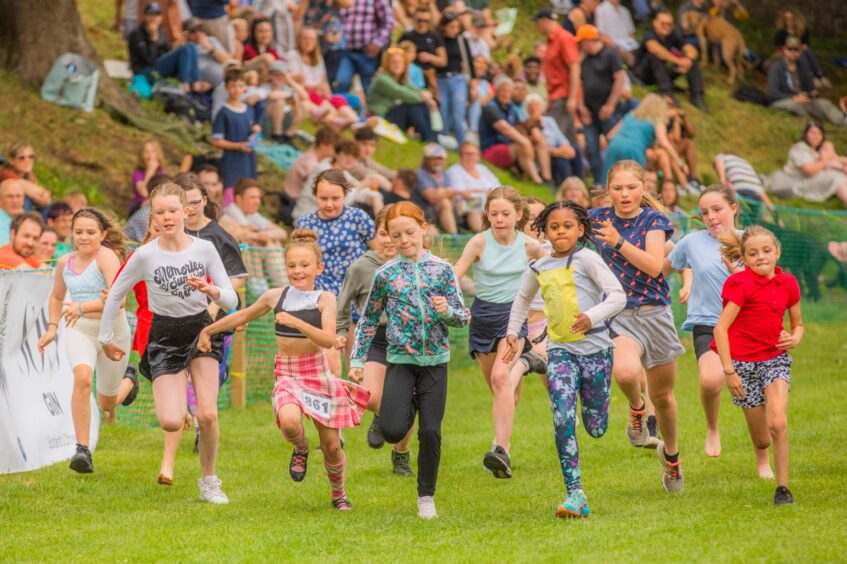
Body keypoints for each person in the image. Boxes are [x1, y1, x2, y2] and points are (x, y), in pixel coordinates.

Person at [198, 229, 367, 510]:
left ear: (318, 268)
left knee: (332, 447)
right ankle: (301, 448)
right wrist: (208, 329)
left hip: (318, 373)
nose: (297, 271)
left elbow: (328, 340)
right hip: (288, 374)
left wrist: (296, 323)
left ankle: (339, 493)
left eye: (304, 265)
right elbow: (242, 314)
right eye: (291, 266)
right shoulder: (274, 296)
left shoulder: (325, 299)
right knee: (289, 422)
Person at [98, 183, 238, 504]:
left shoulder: (204, 249)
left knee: (208, 414)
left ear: (185, 212)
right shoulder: (144, 255)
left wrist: (213, 291)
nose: (167, 217)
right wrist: (106, 338)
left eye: (172, 210)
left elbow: (230, 298)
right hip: (164, 335)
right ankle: (178, 403)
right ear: (153, 216)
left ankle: (209, 480)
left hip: (201, 331)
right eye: (159, 212)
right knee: (171, 420)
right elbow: (116, 294)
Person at [349, 201, 469, 519]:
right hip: (400, 360)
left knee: (430, 431)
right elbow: (368, 319)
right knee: (390, 430)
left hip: (435, 362)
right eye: (395, 235)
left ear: (423, 229)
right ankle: (407, 405)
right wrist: (358, 359)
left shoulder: (442, 270)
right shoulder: (385, 275)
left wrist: (448, 313)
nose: (403, 240)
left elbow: (462, 316)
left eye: (410, 233)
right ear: (387, 236)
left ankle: (425, 496)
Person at [506, 200, 625, 517]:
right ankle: (575, 494)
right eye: (554, 226)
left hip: (597, 351)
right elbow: (521, 301)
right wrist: (512, 333)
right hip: (560, 351)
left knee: (596, 428)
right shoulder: (538, 266)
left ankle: (599, 402)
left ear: (580, 229)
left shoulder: (587, 258)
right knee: (561, 417)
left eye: (567, 226)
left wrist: (590, 316)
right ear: (544, 231)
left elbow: (617, 295)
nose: (560, 231)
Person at [589, 160, 686, 492]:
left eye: (631, 187)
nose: (624, 194)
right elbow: (560, 229)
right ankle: (635, 408)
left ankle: (672, 458)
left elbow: (655, 266)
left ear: (643, 188)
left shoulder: (653, 220)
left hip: (655, 314)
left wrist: (618, 242)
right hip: (617, 314)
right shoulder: (596, 219)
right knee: (627, 373)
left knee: (664, 397)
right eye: (617, 188)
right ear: (608, 190)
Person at [663, 186, 768, 472]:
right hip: (708, 324)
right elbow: (659, 270)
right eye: (705, 212)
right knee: (711, 381)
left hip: (748, 328)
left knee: (751, 395)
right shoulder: (691, 242)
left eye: (717, 209)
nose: (710, 217)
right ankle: (712, 427)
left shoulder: (754, 242)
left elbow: (771, 284)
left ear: (734, 208)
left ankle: (762, 459)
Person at [156, 174, 249, 484]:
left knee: (208, 395)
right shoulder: (163, 238)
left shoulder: (218, 238)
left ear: (204, 202)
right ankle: (170, 457)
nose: (190, 209)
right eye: (184, 204)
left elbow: (235, 280)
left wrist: (209, 309)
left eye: (195, 203)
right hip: (171, 327)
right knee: (176, 388)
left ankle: (201, 428)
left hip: (213, 326)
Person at [453, 187, 545, 479]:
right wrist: (452, 303)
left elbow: (555, 273)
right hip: (482, 318)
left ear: (519, 215)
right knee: (503, 391)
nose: (499, 219)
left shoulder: (530, 246)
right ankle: (499, 442)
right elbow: (455, 274)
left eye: (506, 214)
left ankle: (501, 451)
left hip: (513, 319)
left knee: (500, 377)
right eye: (494, 214)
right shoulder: (479, 242)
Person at [37, 209, 138, 473]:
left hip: (113, 333)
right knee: (82, 378)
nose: (84, 237)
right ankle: (82, 450)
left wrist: (82, 307)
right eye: (78, 232)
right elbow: (56, 297)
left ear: (103, 235)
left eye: (91, 232)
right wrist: (51, 328)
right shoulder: (64, 262)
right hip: (79, 331)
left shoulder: (107, 258)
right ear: (71, 233)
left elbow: (118, 302)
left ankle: (130, 380)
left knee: (107, 403)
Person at [713, 226, 804, 505]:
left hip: (774, 359)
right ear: (745, 257)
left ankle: (783, 489)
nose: (761, 257)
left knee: (778, 422)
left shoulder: (787, 282)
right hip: (742, 365)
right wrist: (729, 372)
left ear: (777, 252)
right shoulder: (741, 285)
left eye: (766, 251)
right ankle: (761, 455)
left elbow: (798, 324)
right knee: (763, 439)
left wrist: (794, 338)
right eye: (752, 253)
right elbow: (720, 330)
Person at [335, 206, 415, 473]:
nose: (390, 240)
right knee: (369, 396)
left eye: (395, 234)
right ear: (376, 235)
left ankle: (401, 453)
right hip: (374, 338)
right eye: (384, 234)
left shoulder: (413, 263)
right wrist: (341, 333)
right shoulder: (361, 267)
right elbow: (343, 305)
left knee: (408, 400)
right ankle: (382, 415)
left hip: (408, 338)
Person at [295, 169, 375, 296]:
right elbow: (298, 260)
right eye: (323, 198)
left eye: (335, 198)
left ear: (345, 194)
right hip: (319, 293)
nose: (329, 204)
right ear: (315, 195)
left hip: (355, 290)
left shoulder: (357, 217)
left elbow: (379, 250)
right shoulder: (305, 224)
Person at [576, 25, 625, 186]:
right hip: (590, 112)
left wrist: (610, 104)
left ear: (589, 41)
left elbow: (619, 78)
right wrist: (582, 107)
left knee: (615, 146)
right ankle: (599, 182)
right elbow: (581, 84)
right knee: (591, 148)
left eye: (582, 42)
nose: (581, 46)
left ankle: (619, 179)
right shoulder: (584, 59)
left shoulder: (610, 55)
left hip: (609, 110)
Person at [600, 93, 686, 185]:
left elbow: (610, 135)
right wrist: (680, 162)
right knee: (632, 183)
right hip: (634, 149)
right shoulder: (657, 120)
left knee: (607, 182)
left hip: (615, 145)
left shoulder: (631, 115)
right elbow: (664, 143)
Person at [286, 27, 359, 129]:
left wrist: (326, 93)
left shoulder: (318, 58)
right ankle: (336, 123)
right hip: (305, 94)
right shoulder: (292, 55)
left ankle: (357, 124)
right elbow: (295, 81)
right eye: (305, 38)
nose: (308, 42)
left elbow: (323, 80)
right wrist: (315, 87)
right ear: (299, 40)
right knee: (329, 108)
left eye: (311, 39)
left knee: (339, 102)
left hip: (319, 93)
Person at [634, 10, 706, 111]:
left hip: (661, 73)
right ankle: (667, 94)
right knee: (654, 55)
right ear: (655, 23)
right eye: (663, 24)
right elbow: (654, 48)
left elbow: (690, 49)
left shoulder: (673, 33)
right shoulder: (649, 34)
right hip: (643, 74)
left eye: (669, 24)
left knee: (690, 59)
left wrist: (688, 60)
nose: (667, 26)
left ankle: (696, 95)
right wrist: (680, 62)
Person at [479, 75, 545, 185]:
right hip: (491, 149)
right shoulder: (490, 108)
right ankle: (537, 180)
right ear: (496, 91)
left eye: (508, 91)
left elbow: (519, 126)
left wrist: (533, 127)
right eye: (503, 91)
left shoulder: (510, 107)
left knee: (534, 143)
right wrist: (525, 142)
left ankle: (542, 177)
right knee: (522, 146)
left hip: (507, 147)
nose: (506, 94)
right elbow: (505, 128)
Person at [127, 3, 206, 93]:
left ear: (161, 17)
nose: (154, 18)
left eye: (157, 15)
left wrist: (176, 46)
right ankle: (186, 87)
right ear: (144, 16)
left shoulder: (161, 32)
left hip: (158, 67)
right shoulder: (136, 35)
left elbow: (166, 54)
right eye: (150, 14)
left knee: (190, 47)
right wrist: (153, 40)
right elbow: (149, 60)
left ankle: (196, 87)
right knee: (186, 48)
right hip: (144, 73)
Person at [767, 36, 845, 127]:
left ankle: (843, 122)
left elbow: (810, 88)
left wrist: (811, 94)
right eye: (790, 49)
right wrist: (794, 98)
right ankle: (810, 127)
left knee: (825, 104)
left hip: (803, 101)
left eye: (796, 50)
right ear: (784, 50)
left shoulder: (803, 66)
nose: (793, 52)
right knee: (795, 106)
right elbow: (773, 94)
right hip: (783, 101)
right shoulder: (776, 68)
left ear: (800, 52)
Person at [366, 48, 437, 143]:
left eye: (400, 62)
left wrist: (428, 97)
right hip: (379, 118)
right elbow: (401, 93)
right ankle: (429, 139)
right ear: (387, 64)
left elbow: (418, 90)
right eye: (393, 62)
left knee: (419, 105)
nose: (397, 65)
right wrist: (425, 99)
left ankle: (431, 138)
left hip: (392, 116)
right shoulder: (382, 79)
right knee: (410, 105)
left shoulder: (401, 80)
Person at [534, 10, 582, 148]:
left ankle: (553, 168)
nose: (538, 27)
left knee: (553, 138)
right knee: (569, 137)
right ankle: (577, 167)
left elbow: (574, 67)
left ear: (544, 21)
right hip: (555, 94)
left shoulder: (563, 38)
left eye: (538, 23)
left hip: (562, 95)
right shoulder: (550, 41)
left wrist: (572, 97)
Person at [772, 121, 847, 205]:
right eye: (813, 133)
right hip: (799, 183)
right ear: (806, 134)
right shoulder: (799, 149)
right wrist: (825, 160)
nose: (816, 136)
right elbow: (809, 171)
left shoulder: (821, 149)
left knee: (842, 174)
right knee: (837, 177)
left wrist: (840, 165)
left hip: (816, 179)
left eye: (819, 134)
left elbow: (836, 159)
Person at [211, 69, 261, 192]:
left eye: (240, 85)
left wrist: (256, 130)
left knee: (247, 190)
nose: (236, 89)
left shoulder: (249, 109)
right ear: (226, 88)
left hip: (248, 160)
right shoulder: (223, 112)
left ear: (245, 87)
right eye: (233, 86)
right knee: (232, 192)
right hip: (231, 162)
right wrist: (238, 146)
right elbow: (216, 141)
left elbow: (252, 131)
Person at [335, 0, 396, 93]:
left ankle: (370, 107)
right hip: (346, 49)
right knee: (341, 82)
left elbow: (389, 21)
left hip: (367, 52)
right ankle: (343, 106)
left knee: (369, 88)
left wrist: (377, 42)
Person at [436, 13, 476, 145]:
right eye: (451, 27)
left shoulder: (461, 40)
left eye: (457, 27)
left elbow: (469, 63)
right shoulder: (438, 39)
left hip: (457, 79)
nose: (454, 30)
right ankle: (444, 141)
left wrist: (473, 86)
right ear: (443, 26)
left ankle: (462, 144)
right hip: (440, 79)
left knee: (458, 113)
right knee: (443, 112)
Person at [444, 142, 501, 232]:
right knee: (475, 207)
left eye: (473, 154)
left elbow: (498, 187)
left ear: (478, 155)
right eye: (466, 154)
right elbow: (462, 194)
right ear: (460, 155)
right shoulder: (454, 171)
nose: (470, 157)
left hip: (488, 200)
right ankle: (483, 234)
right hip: (463, 204)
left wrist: (481, 193)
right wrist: (485, 193)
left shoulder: (482, 168)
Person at [524, 94, 578, 185]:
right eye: (530, 106)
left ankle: (577, 184)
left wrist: (563, 149)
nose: (534, 108)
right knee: (561, 160)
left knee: (575, 150)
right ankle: (564, 187)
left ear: (542, 107)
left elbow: (562, 139)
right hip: (543, 155)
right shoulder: (526, 123)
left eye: (536, 105)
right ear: (527, 109)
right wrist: (557, 152)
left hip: (555, 149)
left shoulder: (549, 120)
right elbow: (537, 144)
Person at [399, 7, 447, 103]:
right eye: (419, 20)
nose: (422, 23)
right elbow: (398, 54)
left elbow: (443, 61)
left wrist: (430, 57)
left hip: (430, 76)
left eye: (426, 21)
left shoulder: (435, 36)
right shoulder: (407, 36)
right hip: (410, 75)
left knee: (433, 102)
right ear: (414, 19)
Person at [774, 8, 827, 89]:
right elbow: (778, 47)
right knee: (800, 55)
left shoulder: (803, 31)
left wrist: (801, 47)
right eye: (787, 19)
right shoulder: (781, 33)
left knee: (806, 52)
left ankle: (819, 75)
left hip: (801, 50)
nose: (789, 21)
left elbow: (806, 44)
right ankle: (811, 76)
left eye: (791, 19)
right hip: (787, 53)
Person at [415, 143, 459, 233]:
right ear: (426, 160)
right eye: (434, 158)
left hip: (444, 209)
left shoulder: (444, 173)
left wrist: (440, 191)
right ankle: (454, 235)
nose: (438, 162)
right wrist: (446, 191)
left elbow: (453, 193)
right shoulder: (420, 173)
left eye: (440, 159)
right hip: (424, 210)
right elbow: (431, 198)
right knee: (445, 202)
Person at [0, 142, 51, 211]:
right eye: (21, 158)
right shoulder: (6, 174)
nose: (27, 160)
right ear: (12, 161)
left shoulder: (30, 176)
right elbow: (36, 193)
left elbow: (44, 199)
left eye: (31, 157)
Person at [350, 127, 396, 191]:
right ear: (355, 143)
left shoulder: (367, 160)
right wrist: (396, 191)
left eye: (372, 145)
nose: (368, 149)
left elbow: (387, 172)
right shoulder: (350, 161)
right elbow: (374, 176)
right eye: (364, 144)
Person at [595, 0, 639, 65]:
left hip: (629, 47)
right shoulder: (600, 10)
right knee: (629, 58)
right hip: (613, 48)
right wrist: (619, 49)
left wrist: (632, 46)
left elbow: (632, 33)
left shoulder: (625, 11)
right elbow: (601, 35)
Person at [131, 140, 167, 216]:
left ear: (158, 154)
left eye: (153, 152)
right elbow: (144, 193)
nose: (150, 155)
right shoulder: (137, 173)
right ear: (141, 155)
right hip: (138, 208)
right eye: (146, 152)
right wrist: (150, 171)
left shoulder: (162, 173)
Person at [0, 179, 25, 246]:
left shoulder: (25, 219)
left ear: (23, 200)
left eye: (18, 196)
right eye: (10, 196)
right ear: (0, 200)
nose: (15, 201)